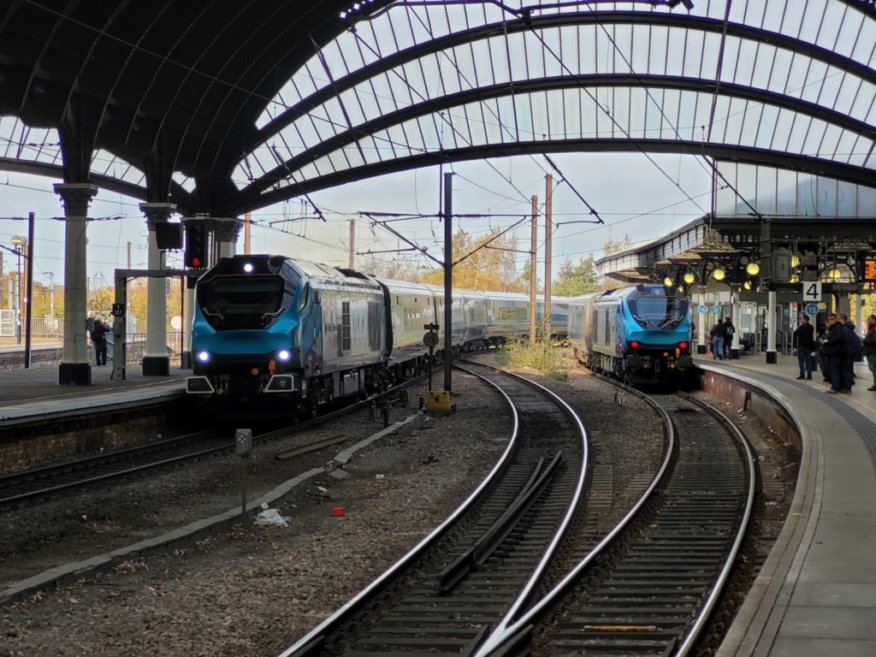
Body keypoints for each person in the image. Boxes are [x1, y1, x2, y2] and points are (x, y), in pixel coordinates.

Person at [821, 313, 846, 393]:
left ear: (835, 319)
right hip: (830, 352)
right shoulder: (831, 328)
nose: (830, 321)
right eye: (829, 319)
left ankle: (835, 388)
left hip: (835, 352)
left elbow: (838, 339)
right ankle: (835, 386)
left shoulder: (838, 328)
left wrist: (827, 341)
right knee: (832, 370)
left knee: (835, 371)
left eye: (832, 319)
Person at [792, 314, 816, 380]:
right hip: (809, 347)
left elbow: (795, 334)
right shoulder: (811, 327)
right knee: (809, 361)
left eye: (802, 319)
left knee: (801, 361)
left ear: (805, 319)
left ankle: (802, 375)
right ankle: (809, 376)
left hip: (801, 346)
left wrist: (794, 346)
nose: (800, 320)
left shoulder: (801, 327)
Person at [863, 314, 876, 392]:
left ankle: (875, 385)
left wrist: (864, 340)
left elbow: (874, 340)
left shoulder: (874, 329)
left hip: (872, 352)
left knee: (873, 369)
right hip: (871, 352)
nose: (868, 321)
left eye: (870, 320)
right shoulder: (872, 329)